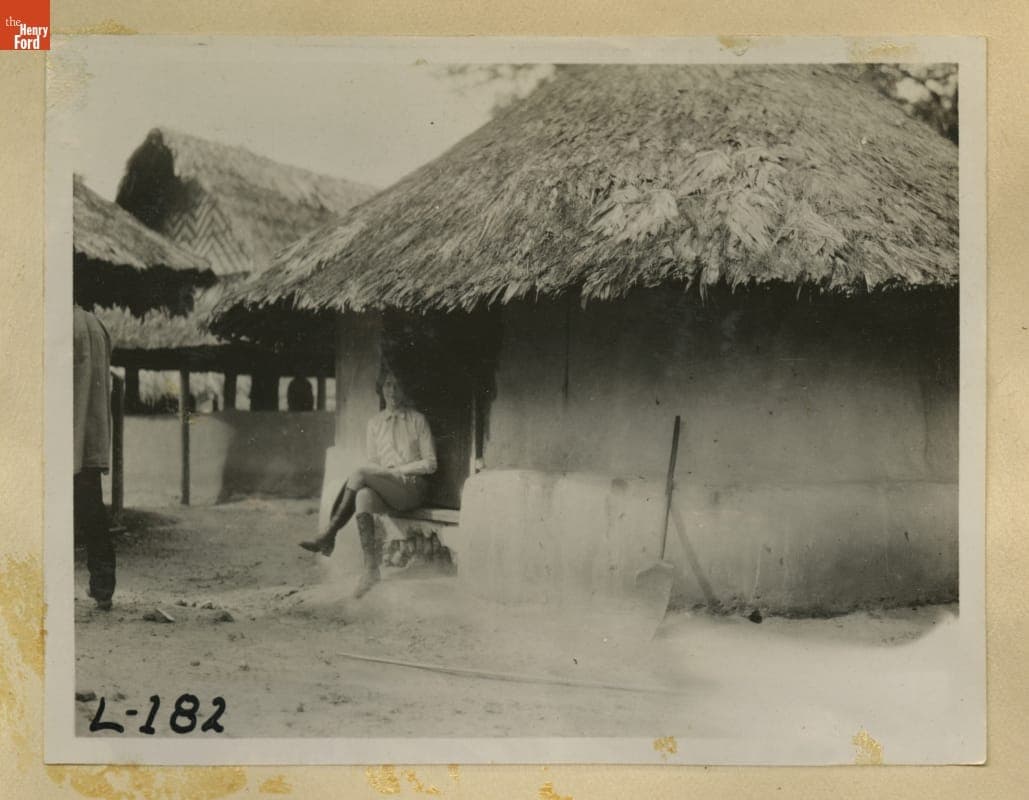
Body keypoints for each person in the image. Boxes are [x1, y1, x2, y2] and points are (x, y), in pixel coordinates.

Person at [300, 368, 437, 598]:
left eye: (397, 385)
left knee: (360, 473)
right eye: (387, 385)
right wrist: (384, 474)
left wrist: (399, 470)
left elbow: (431, 463)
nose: (392, 391)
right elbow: (374, 462)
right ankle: (370, 569)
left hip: (412, 488)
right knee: (363, 495)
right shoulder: (374, 424)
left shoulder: (417, 420)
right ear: (381, 389)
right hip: (388, 487)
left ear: (404, 390)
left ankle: (329, 534)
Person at [73, 305, 115, 611]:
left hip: (64, 433)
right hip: (90, 433)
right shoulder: (96, 325)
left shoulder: (55, 323)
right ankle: (103, 588)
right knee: (92, 509)